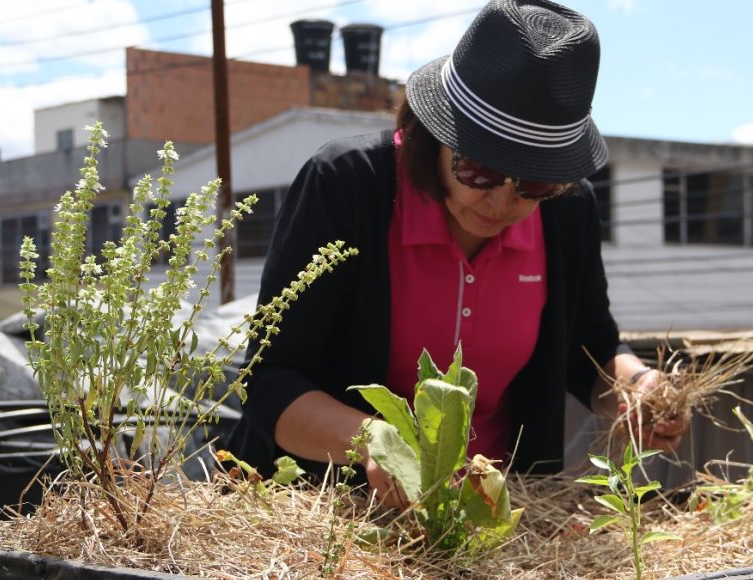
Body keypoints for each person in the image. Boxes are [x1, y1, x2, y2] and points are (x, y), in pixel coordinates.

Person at [225, 0, 689, 507]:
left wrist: (638, 390)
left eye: (534, 184)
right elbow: (270, 380)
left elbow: (592, 350)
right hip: (321, 512)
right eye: (480, 173)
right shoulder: (347, 185)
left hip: (489, 516)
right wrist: (374, 442)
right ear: (435, 137)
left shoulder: (568, 212)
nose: (502, 202)